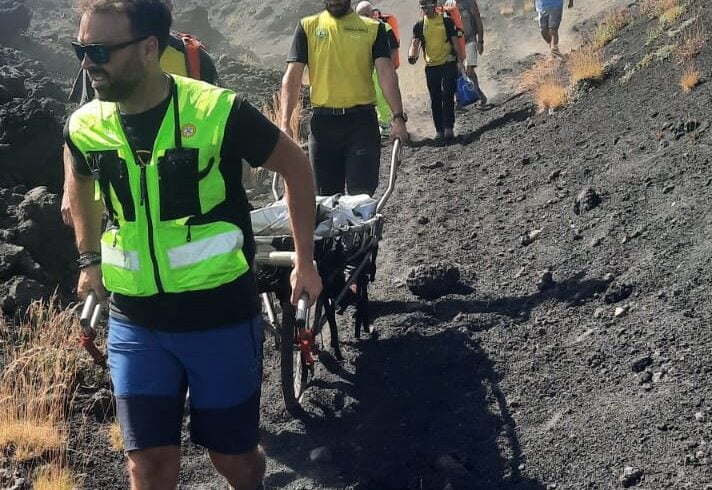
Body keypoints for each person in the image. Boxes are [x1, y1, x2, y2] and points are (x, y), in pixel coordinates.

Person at [64, 0, 322, 488]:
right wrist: (88, 259)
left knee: (235, 460)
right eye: (80, 47)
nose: (86, 62)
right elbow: (76, 181)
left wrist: (304, 261)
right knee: (148, 463)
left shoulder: (217, 111)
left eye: (98, 49)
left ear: (147, 48)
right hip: (135, 323)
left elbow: (296, 168)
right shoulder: (84, 125)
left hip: (218, 318)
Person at [61, 11, 217, 226]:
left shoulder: (192, 57)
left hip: (190, 201)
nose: (86, 61)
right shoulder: (100, 59)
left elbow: (218, 124)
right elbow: (80, 132)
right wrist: (69, 188)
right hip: (124, 200)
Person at [281, 0, 408, 197]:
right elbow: (293, 76)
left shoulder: (373, 29)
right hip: (323, 128)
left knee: (361, 198)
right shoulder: (307, 26)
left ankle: (364, 228)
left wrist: (398, 118)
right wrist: (285, 123)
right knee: (325, 200)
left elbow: (386, 73)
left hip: (361, 125)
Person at [408, 0, 465, 142]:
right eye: (423, 6)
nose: (426, 9)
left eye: (428, 5)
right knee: (435, 99)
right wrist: (412, 55)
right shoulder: (420, 25)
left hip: (448, 63)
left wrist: (461, 62)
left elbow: (455, 41)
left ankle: (448, 128)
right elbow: (415, 43)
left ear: (435, 5)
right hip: (431, 67)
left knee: (447, 95)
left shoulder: (446, 22)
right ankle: (439, 130)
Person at [355, 1, 400, 137]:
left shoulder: (384, 27)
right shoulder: (354, 30)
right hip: (361, 69)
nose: (364, 18)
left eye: (365, 15)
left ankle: (386, 124)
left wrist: (390, 66)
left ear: (372, 14)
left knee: (381, 96)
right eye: (360, 15)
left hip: (380, 68)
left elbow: (394, 47)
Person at [443, 0, 487, 106]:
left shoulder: (469, 2)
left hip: (470, 39)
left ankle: (479, 96)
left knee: (470, 70)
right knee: (457, 71)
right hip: (455, 43)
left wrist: (480, 41)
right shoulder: (447, 5)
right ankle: (460, 99)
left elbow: (477, 20)